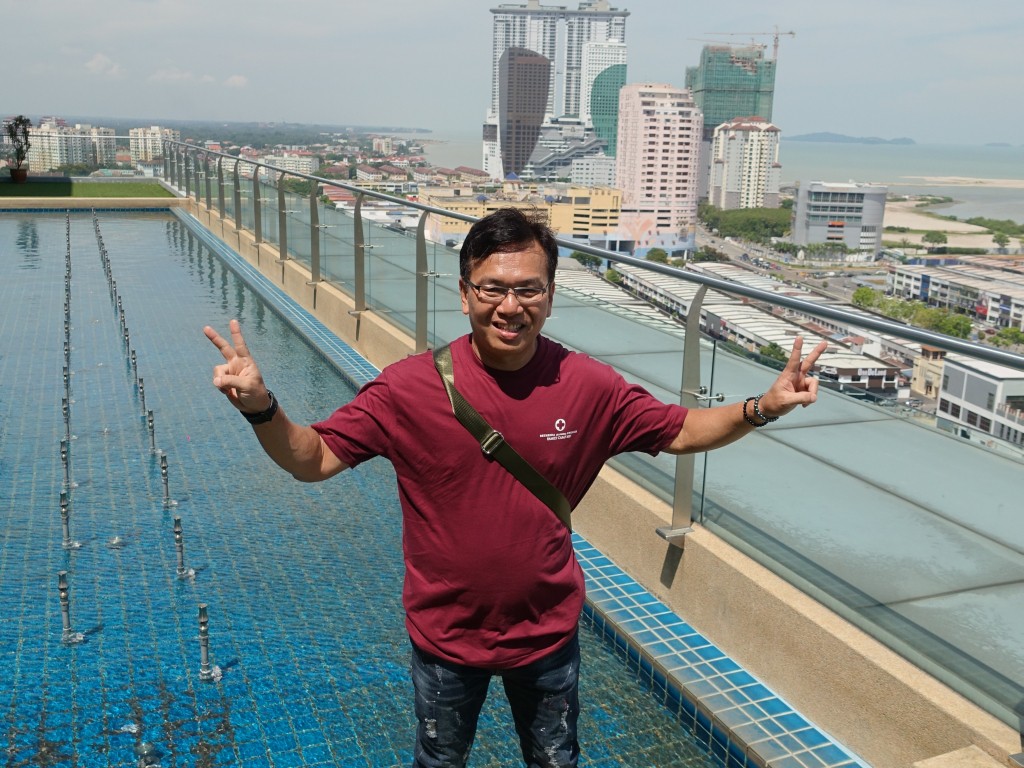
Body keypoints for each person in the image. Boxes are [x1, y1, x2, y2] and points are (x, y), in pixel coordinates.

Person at [205, 208, 826, 768]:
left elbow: (682, 430)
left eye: (528, 289)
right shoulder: (408, 389)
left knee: (556, 760)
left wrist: (762, 406)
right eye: (492, 288)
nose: (510, 306)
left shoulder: (587, 385)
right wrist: (261, 407)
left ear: (550, 296)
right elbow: (312, 459)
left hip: (547, 632)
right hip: (447, 637)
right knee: (440, 760)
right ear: (464, 294)